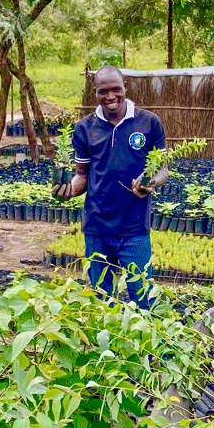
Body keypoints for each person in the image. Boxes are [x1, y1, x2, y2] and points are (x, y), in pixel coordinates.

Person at [52, 65, 167, 310]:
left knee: (143, 296)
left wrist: (152, 183)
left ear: (126, 87)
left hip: (134, 227)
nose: (110, 96)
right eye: (103, 91)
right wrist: (68, 191)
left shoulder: (148, 122)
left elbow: (163, 169)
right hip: (97, 227)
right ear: (95, 92)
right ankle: (107, 347)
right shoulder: (85, 128)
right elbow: (82, 176)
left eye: (116, 89)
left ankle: (148, 348)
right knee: (101, 300)